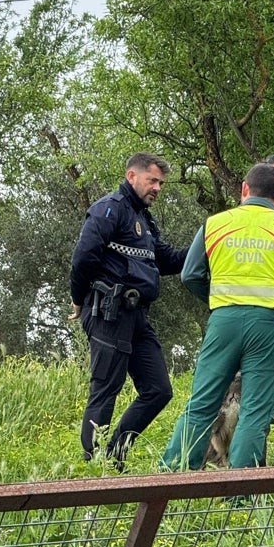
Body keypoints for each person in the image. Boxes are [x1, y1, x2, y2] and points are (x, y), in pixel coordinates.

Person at [161, 162, 274, 471]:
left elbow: (190, 274)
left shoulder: (214, 224)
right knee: (256, 409)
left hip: (223, 323)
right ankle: (240, 493)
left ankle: (167, 481)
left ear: (244, 189)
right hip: (268, 327)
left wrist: (216, 301)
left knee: (201, 404)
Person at [70, 152, 188, 466]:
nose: (158, 188)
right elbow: (83, 258)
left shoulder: (144, 219)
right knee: (105, 390)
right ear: (131, 176)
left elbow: (168, 260)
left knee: (159, 389)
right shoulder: (109, 209)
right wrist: (78, 300)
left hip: (137, 317)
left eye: (161, 183)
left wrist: (209, 243)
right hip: (108, 313)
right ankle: (92, 470)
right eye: (152, 180)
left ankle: (114, 455)